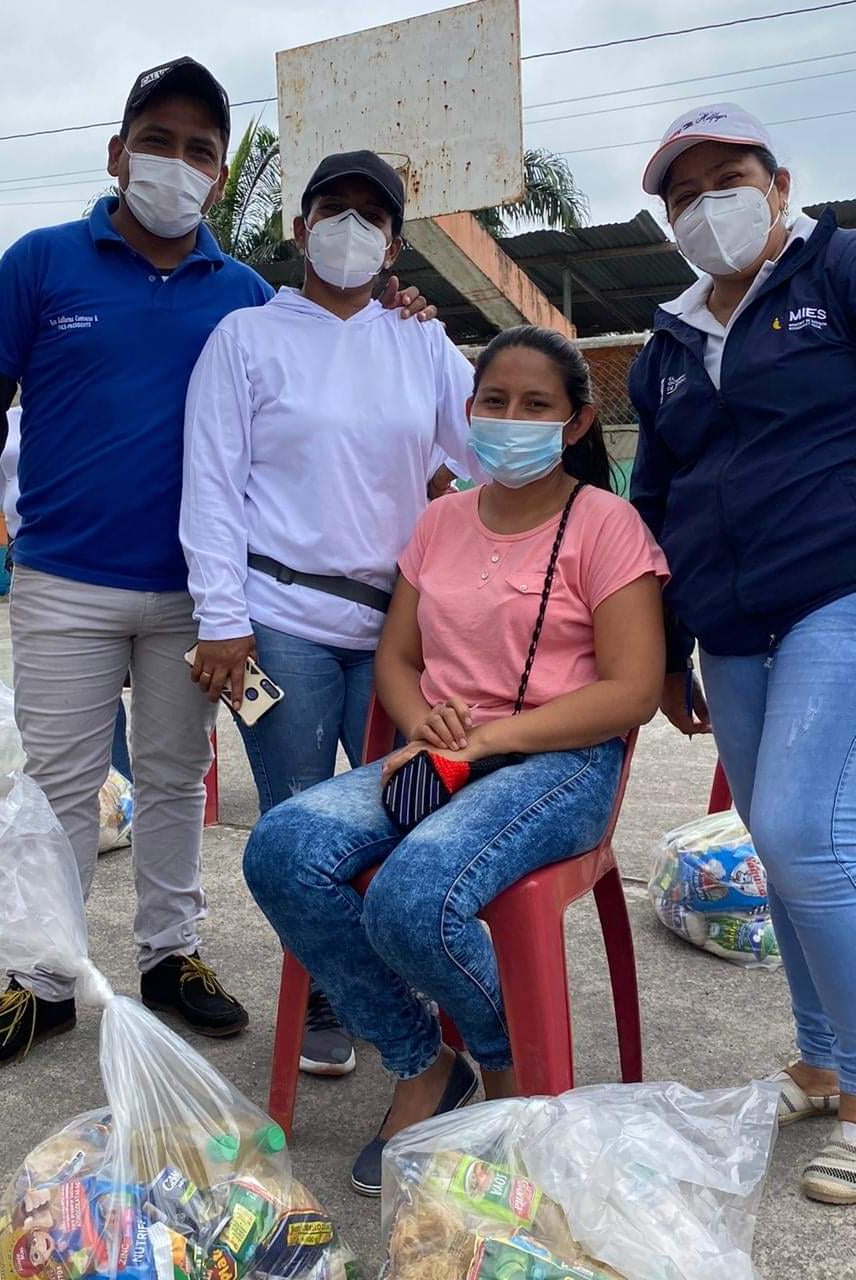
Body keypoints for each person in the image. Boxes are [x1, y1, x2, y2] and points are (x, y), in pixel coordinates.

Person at [0, 55, 439, 1078]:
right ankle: (43, 976)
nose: (176, 162)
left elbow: (332, 358)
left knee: (173, 776)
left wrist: (401, 318)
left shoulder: (244, 295)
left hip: (200, 596)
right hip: (66, 578)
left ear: (219, 173)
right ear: (117, 154)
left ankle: (170, 955)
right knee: (60, 784)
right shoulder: (40, 263)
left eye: (199, 149)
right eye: (156, 141)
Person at [244, 326, 667, 1193]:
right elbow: (397, 661)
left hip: (561, 762)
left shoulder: (606, 523)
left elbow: (631, 691)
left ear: (577, 422)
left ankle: (512, 1073)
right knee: (282, 847)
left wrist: (493, 738)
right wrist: (421, 722)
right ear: (469, 412)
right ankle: (429, 1064)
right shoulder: (440, 522)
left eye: (536, 405)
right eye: (494, 402)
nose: (511, 419)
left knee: (414, 896)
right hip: (442, 755)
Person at [180, 150, 483, 1078]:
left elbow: (488, 452)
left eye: (371, 216)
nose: (350, 227)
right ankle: (322, 989)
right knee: (299, 825)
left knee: (412, 807)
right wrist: (221, 617)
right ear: (300, 227)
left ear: (393, 246)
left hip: (397, 625)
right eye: (333, 209)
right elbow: (212, 485)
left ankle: (401, 970)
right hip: (278, 619)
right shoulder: (246, 337)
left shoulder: (420, 343)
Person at [629, 102, 856, 1205]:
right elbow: (655, 501)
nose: (706, 206)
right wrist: (667, 648)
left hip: (835, 596)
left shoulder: (839, 274)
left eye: (728, 181)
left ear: (780, 186)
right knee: (774, 844)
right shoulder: (667, 345)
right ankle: (819, 1059)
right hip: (729, 626)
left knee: (807, 832)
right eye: (684, 194)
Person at [0, 405, 132, 782]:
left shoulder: (85, 403)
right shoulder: (7, 419)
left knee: (101, 680)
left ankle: (118, 785)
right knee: (54, 688)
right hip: (27, 554)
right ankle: (89, 787)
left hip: (92, 551)